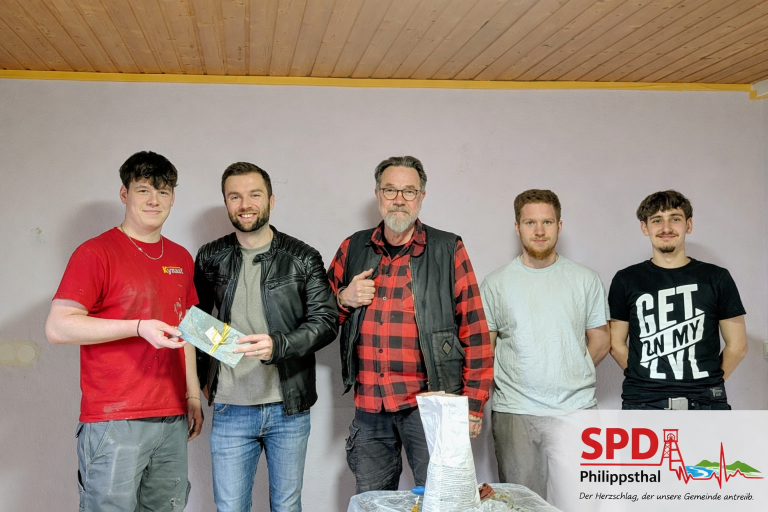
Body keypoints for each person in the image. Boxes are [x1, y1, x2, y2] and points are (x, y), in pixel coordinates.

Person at [45, 151, 202, 511]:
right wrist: (138, 327)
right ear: (124, 194)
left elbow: (188, 329)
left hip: (172, 414)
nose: (153, 200)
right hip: (114, 418)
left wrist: (193, 395)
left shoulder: (180, 257)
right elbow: (58, 326)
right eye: (143, 190)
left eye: (163, 192)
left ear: (173, 198)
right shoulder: (95, 252)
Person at [327, 155, 494, 493]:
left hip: (431, 405)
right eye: (390, 190)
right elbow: (321, 317)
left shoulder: (447, 248)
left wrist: (474, 406)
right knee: (374, 504)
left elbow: (475, 331)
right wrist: (344, 297)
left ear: (422, 197)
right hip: (370, 405)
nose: (399, 199)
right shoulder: (353, 247)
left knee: (441, 499)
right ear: (378, 194)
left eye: (409, 191)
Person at [194, 162, 338, 512]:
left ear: (271, 200)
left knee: (287, 506)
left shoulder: (302, 257)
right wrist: (201, 382)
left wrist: (279, 345)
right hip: (230, 405)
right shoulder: (211, 257)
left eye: (254, 195)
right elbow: (194, 321)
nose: (245, 204)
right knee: (230, 508)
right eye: (235, 197)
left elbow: (326, 321)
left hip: (286, 405)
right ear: (226, 203)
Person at [479, 189, 610, 503]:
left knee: (582, 503)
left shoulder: (585, 279)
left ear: (559, 226)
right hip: (515, 412)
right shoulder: (495, 283)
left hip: (576, 410)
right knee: (522, 505)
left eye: (547, 222)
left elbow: (601, 340)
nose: (539, 231)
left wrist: (568, 371)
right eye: (530, 223)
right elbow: (486, 349)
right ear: (517, 227)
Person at [609, 190, 747, 410]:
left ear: (688, 225)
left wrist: (706, 385)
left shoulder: (717, 277)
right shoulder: (626, 280)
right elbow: (616, 345)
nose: (666, 228)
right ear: (645, 227)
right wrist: (646, 380)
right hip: (643, 404)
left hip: (705, 405)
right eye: (657, 220)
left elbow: (738, 346)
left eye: (675, 219)